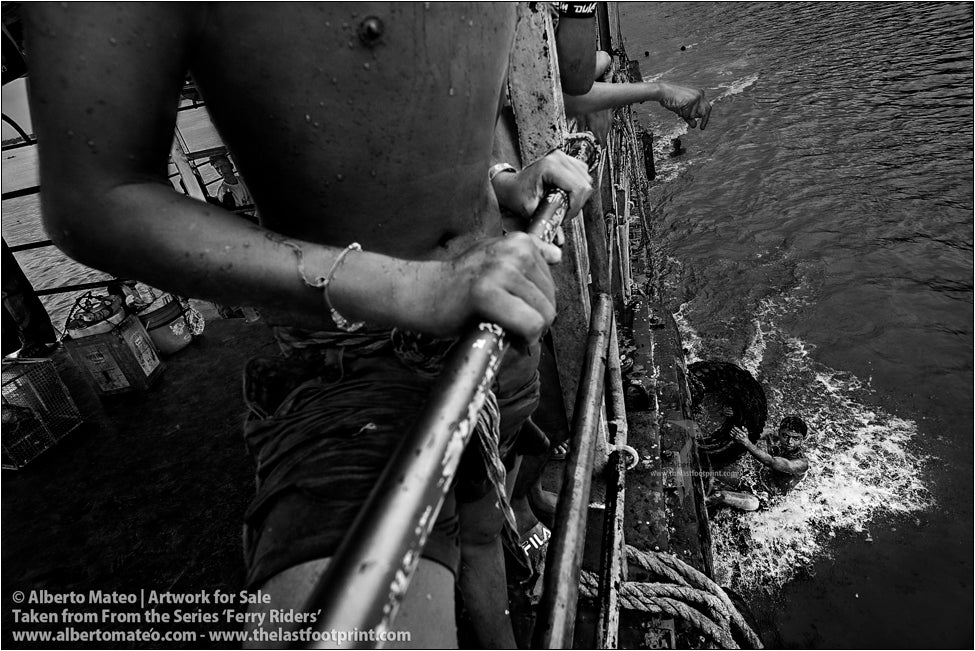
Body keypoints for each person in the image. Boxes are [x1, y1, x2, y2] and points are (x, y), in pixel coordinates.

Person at [24, 4, 593, 648]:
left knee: (485, 534)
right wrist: (412, 288)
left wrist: (502, 176)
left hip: (500, 318)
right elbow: (96, 197)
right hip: (349, 357)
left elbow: (462, 81)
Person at [708, 416, 811, 511]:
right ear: (779, 432)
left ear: (803, 439)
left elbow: (771, 462)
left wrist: (746, 442)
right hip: (754, 480)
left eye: (796, 438)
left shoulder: (801, 464)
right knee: (711, 470)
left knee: (737, 500)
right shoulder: (772, 436)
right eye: (785, 436)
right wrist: (741, 431)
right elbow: (753, 435)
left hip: (766, 499)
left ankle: (706, 503)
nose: (789, 441)